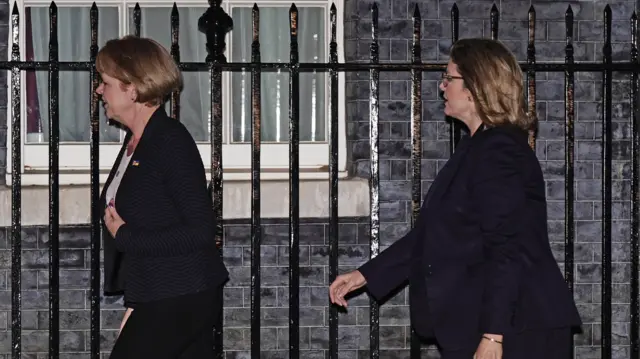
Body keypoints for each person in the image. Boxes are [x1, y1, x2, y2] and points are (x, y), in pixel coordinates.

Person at [329, 38, 582, 359]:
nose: (441, 86)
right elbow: (434, 235)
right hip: (492, 321)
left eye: (449, 78)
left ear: (476, 86)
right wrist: (365, 275)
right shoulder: (476, 147)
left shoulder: (498, 151)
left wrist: (494, 334)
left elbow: (508, 247)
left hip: (517, 328)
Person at [98, 35, 229, 358]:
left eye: (105, 83)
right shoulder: (136, 143)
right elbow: (154, 220)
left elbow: (200, 230)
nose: (99, 91)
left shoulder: (169, 141)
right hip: (160, 293)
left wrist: (126, 236)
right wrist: (135, 302)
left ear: (132, 88)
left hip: (182, 294)